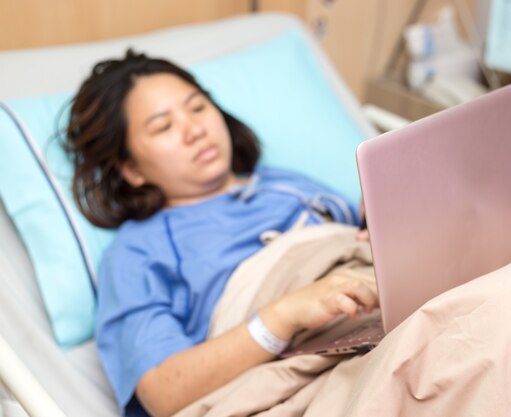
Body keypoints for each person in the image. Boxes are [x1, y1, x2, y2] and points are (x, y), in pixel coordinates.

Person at [65, 50, 378, 417]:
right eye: (163, 126)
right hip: (315, 348)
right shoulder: (137, 251)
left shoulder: (285, 183)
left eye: (197, 108)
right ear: (132, 169)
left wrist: (377, 226)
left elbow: (354, 246)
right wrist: (282, 316)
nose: (195, 130)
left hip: (378, 301)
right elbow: (162, 392)